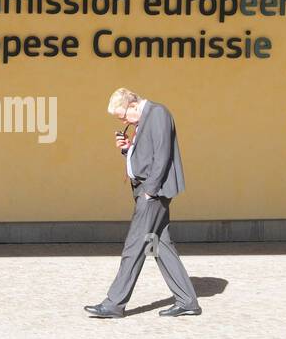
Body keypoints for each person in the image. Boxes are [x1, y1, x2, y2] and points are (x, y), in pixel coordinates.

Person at [84, 88, 202, 319]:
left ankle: (114, 303)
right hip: (147, 190)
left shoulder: (157, 114)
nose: (123, 120)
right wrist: (128, 149)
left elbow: (162, 155)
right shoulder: (144, 119)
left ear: (132, 104)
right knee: (158, 246)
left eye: (123, 115)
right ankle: (187, 301)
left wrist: (149, 192)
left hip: (153, 194)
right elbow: (147, 156)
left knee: (134, 245)